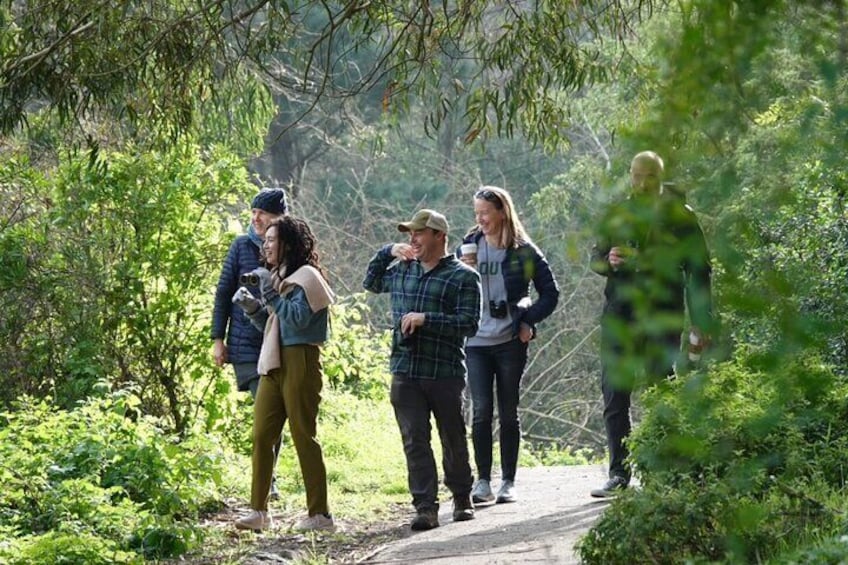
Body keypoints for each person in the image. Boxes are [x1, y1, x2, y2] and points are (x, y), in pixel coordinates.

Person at [589, 151, 715, 498]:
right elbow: (596, 259)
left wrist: (702, 320)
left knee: (662, 390)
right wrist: (609, 261)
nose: (643, 183)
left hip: (662, 314)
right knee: (615, 394)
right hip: (621, 316)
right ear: (630, 175)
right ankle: (618, 473)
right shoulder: (617, 214)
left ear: (661, 179)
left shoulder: (680, 216)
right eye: (637, 176)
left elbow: (700, 270)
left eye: (650, 177)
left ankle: (665, 472)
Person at [363, 209, 481, 531]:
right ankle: (425, 507)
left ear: (439, 236)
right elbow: (370, 281)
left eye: (419, 233)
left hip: (443, 370)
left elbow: (470, 324)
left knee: (452, 435)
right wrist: (387, 251)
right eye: (409, 234)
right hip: (404, 368)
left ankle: (461, 497)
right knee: (414, 440)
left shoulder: (464, 276)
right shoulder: (402, 270)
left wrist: (426, 319)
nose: (412, 239)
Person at [457, 186, 559, 504]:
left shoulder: (522, 251)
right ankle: (483, 481)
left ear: (502, 211)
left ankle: (509, 482)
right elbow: (451, 285)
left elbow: (550, 292)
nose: (480, 219)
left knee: (508, 411)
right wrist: (463, 274)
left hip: (510, 340)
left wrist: (528, 321)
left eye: (485, 213)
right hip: (475, 341)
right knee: (481, 410)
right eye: (477, 213)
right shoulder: (469, 244)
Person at [233, 216, 335, 532]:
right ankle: (259, 511)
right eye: (265, 240)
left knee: (304, 434)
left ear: (289, 243)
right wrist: (252, 308)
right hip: (273, 361)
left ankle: (320, 515)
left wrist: (271, 294)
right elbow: (275, 323)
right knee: (262, 434)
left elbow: (299, 321)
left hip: (301, 359)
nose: (266, 245)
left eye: (272, 239)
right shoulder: (280, 278)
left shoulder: (308, 278)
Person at [211, 187, 288, 498]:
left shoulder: (291, 247)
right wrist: (217, 338)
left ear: (279, 218)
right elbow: (222, 292)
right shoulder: (241, 246)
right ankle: (266, 483)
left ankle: (268, 478)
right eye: (253, 212)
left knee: (276, 414)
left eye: (263, 213)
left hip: (281, 340)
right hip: (247, 345)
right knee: (264, 411)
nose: (256, 218)